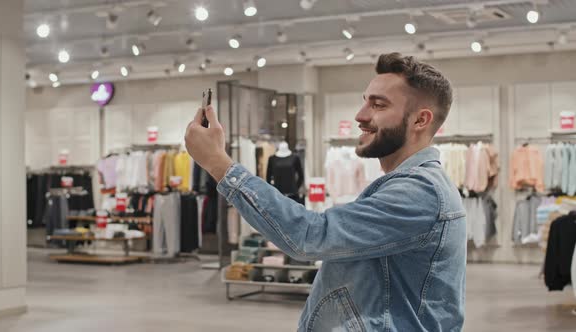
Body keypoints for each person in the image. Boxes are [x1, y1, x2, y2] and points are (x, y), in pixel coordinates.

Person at [185, 53, 466, 332]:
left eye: (378, 105)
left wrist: (219, 164)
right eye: (365, 101)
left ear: (420, 120)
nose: (361, 115)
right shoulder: (410, 185)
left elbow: (310, 236)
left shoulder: (421, 191)